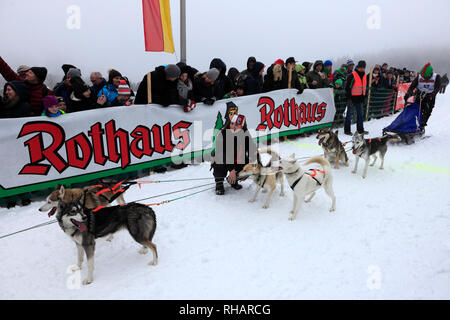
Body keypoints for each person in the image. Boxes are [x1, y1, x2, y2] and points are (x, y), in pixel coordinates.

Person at [211, 114, 257, 195]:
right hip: (222, 158)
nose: (233, 126)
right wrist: (231, 169)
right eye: (232, 124)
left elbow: (252, 149)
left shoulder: (245, 134)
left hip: (237, 158)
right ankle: (219, 183)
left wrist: (254, 166)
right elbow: (223, 154)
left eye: (237, 125)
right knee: (219, 163)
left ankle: (233, 180)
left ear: (242, 126)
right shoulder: (223, 133)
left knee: (247, 168)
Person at [404, 62, 441, 134]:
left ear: (431, 73)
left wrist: (431, 95)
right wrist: (408, 93)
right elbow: (412, 86)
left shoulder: (436, 77)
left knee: (427, 111)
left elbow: (437, 88)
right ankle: (413, 125)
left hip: (430, 96)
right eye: (423, 77)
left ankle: (422, 126)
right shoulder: (419, 76)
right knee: (417, 110)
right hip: (420, 95)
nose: (425, 78)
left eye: (426, 77)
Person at [344, 60, 368, 135]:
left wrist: (364, 97)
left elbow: (364, 87)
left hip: (360, 99)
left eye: (363, 67)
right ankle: (347, 130)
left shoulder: (364, 76)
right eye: (360, 67)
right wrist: (349, 98)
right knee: (349, 115)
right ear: (358, 67)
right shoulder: (352, 75)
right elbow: (348, 88)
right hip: (352, 99)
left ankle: (360, 130)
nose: (362, 69)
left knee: (360, 115)